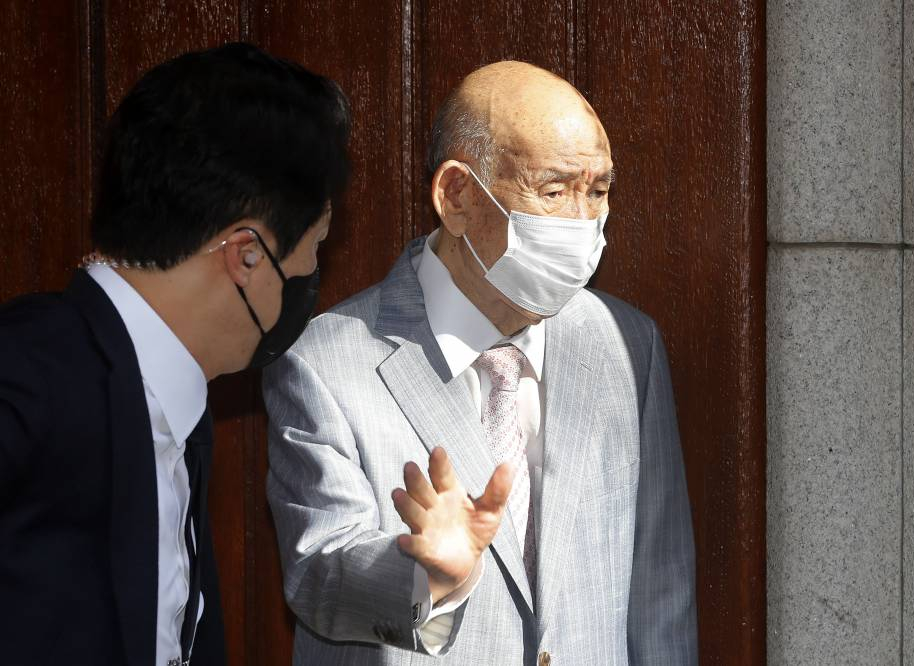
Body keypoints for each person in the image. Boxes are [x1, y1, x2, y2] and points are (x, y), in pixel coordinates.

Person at [264, 60, 697, 665]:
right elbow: (320, 574)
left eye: (598, 191)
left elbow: (660, 593)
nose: (584, 222)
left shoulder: (626, 344)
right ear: (458, 197)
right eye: (554, 191)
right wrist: (428, 579)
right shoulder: (326, 364)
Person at [0, 42, 350, 666]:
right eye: (315, 244)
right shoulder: (28, 376)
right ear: (246, 255)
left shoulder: (172, 400)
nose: (312, 271)